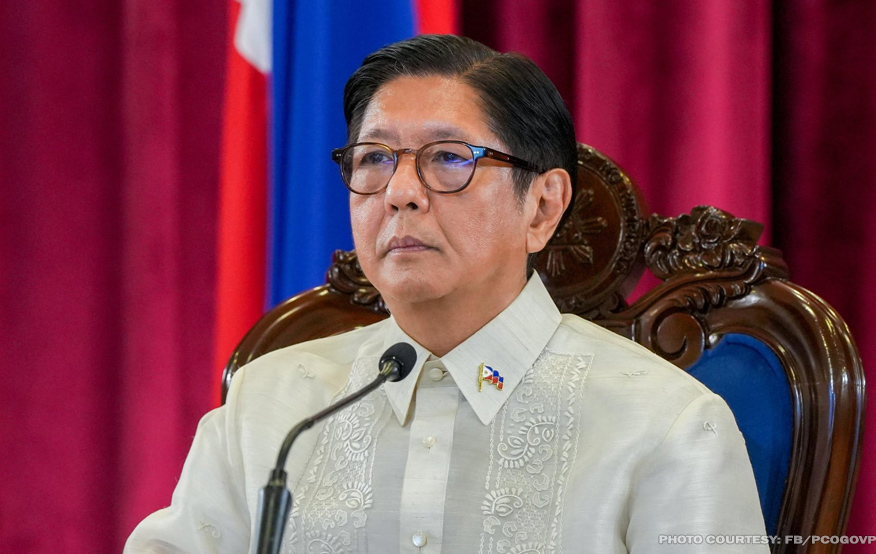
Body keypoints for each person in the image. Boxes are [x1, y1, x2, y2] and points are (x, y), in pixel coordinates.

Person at [125, 35, 767, 553]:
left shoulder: (665, 426)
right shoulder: (272, 408)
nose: (400, 192)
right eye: (374, 159)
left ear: (543, 206)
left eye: (449, 158)